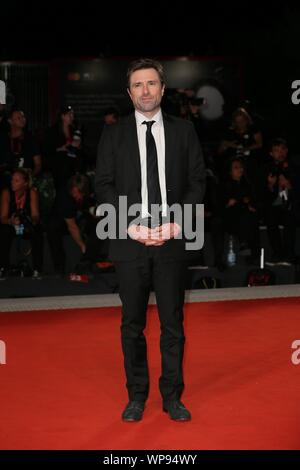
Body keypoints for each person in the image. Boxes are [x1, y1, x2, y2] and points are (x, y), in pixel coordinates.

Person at [95, 58, 205, 422]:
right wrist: (130, 226)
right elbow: (103, 186)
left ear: (163, 88)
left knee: (173, 323)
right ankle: (136, 396)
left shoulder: (185, 131)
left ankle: (172, 396)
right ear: (129, 93)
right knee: (132, 324)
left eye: (152, 84)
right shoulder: (113, 133)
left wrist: (176, 224)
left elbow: (197, 183)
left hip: (172, 239)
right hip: (130, 239)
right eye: (138, 85)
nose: (145, 91)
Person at [0, 168, 44, 280]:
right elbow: (3, 217)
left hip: (25, 223)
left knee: (37, 230)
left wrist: (30, 222)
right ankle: (3, 268)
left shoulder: (32, 192)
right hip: (11, 224)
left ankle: (37, 269)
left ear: (25, 183)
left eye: (16, 180)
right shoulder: (6, 192)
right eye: (12, 180)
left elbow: (35, 215)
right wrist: (11, 221)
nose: (12, 182)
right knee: (3, 231)